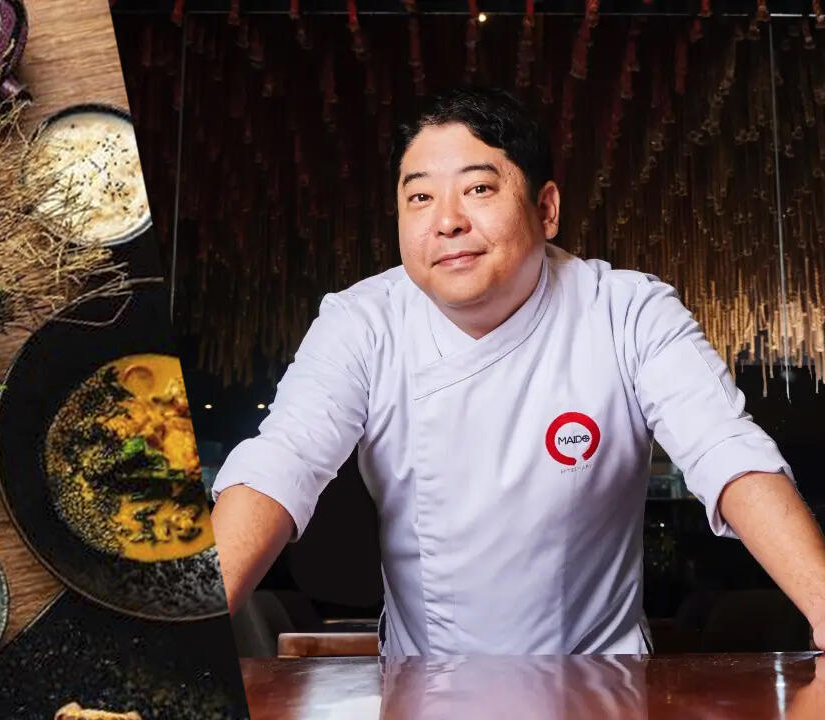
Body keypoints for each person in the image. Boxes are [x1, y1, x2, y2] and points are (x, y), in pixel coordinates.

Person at [210, 86, 825, 655]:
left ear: (546, 207)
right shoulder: (362, 321)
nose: (446, 220)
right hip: (427, 688)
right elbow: (282, 461)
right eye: (420, 196)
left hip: (600, 687)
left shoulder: (627, 310)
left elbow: (729, 453)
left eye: (478, 189)